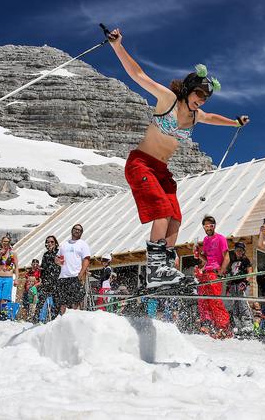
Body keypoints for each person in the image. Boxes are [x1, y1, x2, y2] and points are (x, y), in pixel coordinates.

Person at [106, 27, 249, 289]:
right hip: (141, 162)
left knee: (175, 215)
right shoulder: (169, 99)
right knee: (161, 210)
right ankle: (155, 268)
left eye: (206, 99)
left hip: (161, 170)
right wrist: (117, 46)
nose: (201, 102)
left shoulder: (196, 116)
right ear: (189, 89)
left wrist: (234, 123)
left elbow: (214, 118)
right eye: (199, 95)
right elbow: (138, 74)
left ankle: (166, 269)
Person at [196, 215, 231, 338]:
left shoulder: (221, 238)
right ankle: (209, 325)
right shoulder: (205, 240)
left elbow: (227, 257)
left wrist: (221, 271)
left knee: (215, 301)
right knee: (203, 300)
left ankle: (224, 327)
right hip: (206, 272)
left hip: (215, 273)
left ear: (214, 226)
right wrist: (198, 254)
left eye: (210, 225)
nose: (208, 228)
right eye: (206, 226)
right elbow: (205, 259)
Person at [55, 224, 91, 314]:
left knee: (76, 301)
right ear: (72, 230)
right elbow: (57, 257)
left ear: (81, 233)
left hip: (75, 276)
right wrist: (57, 261)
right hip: (63, 276)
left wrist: (81, 274)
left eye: (79, 230)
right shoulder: (64, 244)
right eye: (75, 229)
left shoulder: (83, 244)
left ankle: (76, 320)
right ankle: (63, 320)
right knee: (63, 302)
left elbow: (86, 260)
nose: (77, 231)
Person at [222, 241, 253, 336]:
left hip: (241, 284)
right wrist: (227, 283)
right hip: (233, 285)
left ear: (243, 251)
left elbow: (250, 272)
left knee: (242, 304)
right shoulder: (231, 261)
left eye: (241, 250)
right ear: (235, 251)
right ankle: (238, 325)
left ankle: (247, 325)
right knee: (234, 305)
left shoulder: (245, 260)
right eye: (237, 250)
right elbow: (228, 272)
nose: (239, 252)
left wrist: (246, 282)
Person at [0, 235, 19, 319]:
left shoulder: (13, 253)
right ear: (1, 243)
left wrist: (16, 279)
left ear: (9, 243)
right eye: (4, 241)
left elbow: (16, 267)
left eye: (7, 242)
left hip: (8, 277)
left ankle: (3, 313)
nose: (5, 243)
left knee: (4, 297)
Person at [38, 235, 61, 321]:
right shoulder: (45, 254)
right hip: (46, 281)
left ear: (56, 243)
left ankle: (56, 320)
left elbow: (61, 265)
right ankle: (37, 320)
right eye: (48, 242)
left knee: (56, 302)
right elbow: (43, 268)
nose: (50, 243)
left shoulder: (59, 252)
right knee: (41, 300)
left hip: (56, 281)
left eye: (52, 242)